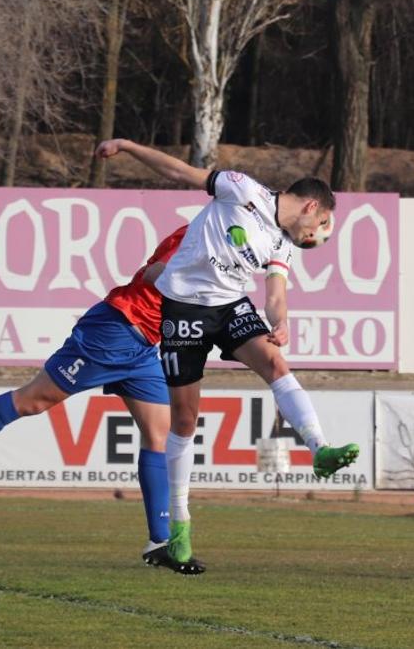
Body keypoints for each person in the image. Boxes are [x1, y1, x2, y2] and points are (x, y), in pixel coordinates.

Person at [94, 138, 359, 570]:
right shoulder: (242, 189)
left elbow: (275, 292)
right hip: (183, 306)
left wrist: (282, 321)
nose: (315, 235)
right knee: (184, 419)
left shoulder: (282, 242)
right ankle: (179, 529)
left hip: (230, 306)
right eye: (323, 223)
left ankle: (320, 449)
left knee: (275, 362)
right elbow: (181, 172)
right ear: (312, 206)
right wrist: (126, 145)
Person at [0, 225, 205, 574]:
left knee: (159, 436)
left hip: (145, 346)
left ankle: (159, 542)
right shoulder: (203, 232)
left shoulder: (235, 246)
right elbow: (153, 274)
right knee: (32, 402)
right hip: (116, 330)